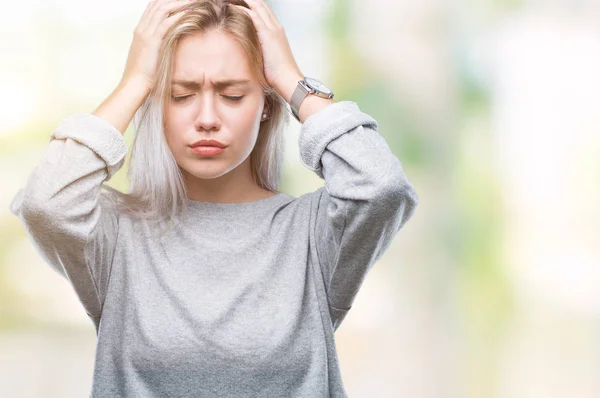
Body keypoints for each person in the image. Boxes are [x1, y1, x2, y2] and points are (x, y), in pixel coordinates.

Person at [9, 0, 419, 396]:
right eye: (181, 95)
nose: (207, 118)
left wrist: (294, 82)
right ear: (155, 103)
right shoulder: (116, 237)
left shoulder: (313, 237)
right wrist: (135, 80)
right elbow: (46, 203)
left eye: (233, 95)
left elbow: (380, 186)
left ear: (265, 104)